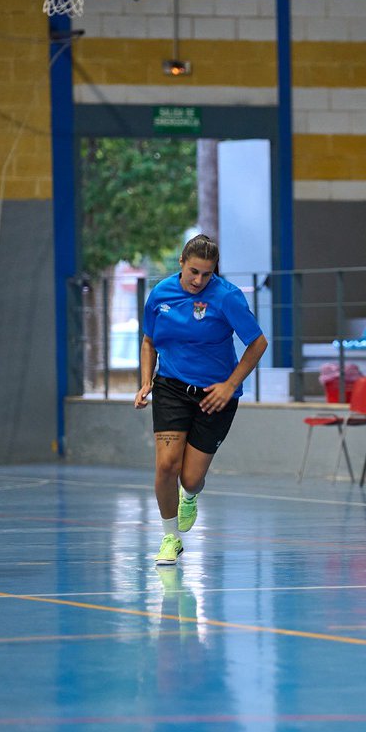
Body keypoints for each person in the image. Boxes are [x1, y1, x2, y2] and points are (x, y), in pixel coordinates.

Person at [135, 234, 267, 566]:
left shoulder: (227, 297)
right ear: (181, 262)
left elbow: (258, 343)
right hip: (171, 387)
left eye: (207, 274)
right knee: (167, 465)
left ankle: (190, 496)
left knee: (191, 478)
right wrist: (146, 382)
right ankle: (170, 538)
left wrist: (229, 385)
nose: (199, 280)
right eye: (194, 272)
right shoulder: (161, 294)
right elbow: (149, 341)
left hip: (215, 396)